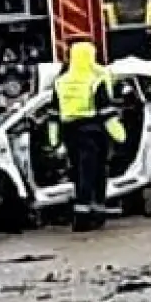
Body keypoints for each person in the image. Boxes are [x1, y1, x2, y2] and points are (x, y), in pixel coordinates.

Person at [53, 39, 127, 230]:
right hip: (92, 132)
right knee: (96, 173)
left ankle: (82, 213)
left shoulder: (61, 81)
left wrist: (53, 138)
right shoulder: (95, 80)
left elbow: (53, 113)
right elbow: (106, 111)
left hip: (70, 133)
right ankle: (93, 214)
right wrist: (119, 135)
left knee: (79, 174)